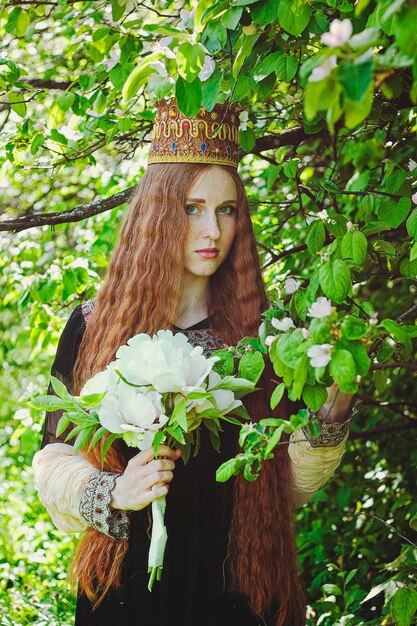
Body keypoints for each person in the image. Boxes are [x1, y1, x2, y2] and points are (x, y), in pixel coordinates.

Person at [32, 97, 355, 626]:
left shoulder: (266, 335)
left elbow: (287, 485)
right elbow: (52, 458)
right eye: (192, 208)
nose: (213, 231)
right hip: (126, 590)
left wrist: (333, 414)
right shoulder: (94, 325)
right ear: (159, 212)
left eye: (226, 210)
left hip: (237, 587)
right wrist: (115, 490)